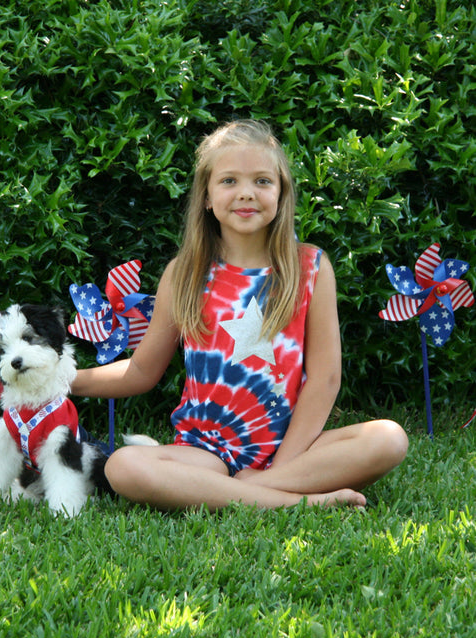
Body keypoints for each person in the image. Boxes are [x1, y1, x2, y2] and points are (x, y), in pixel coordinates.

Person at [72, 119, 408, 511]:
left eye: (262, 181)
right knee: (125, 467)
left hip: (293, 447)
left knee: (389, 438)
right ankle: (298, 501)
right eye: (229, 181)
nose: (246, 193)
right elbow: (141, 372)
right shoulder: (185, 274)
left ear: (281, 194)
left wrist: (280, 465)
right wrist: (64, 381)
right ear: (207, 197)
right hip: (205, 453)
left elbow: (325, 378)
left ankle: (260, 489)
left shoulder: (310, 268)